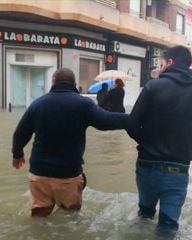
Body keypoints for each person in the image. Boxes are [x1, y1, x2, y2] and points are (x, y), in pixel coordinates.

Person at [12, 68, 127, 217]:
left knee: (38, 217)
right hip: (67, 175)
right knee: (69, 219)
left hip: (38, 174)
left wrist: (17, 154)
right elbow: (105, 121)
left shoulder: (38, 104)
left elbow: (20, 132)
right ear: (74, 83)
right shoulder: (83, 104)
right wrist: (133, 119)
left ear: (53, 81)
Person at [127, 46, 192, 236]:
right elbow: (191, 128)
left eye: (162, 64)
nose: (160, 67)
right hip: (178, 167)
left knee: (144, 215)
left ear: (170, 62)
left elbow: (131, 124)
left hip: (147, 164)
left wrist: (146, 141)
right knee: (169, 225)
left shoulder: (153, 86)